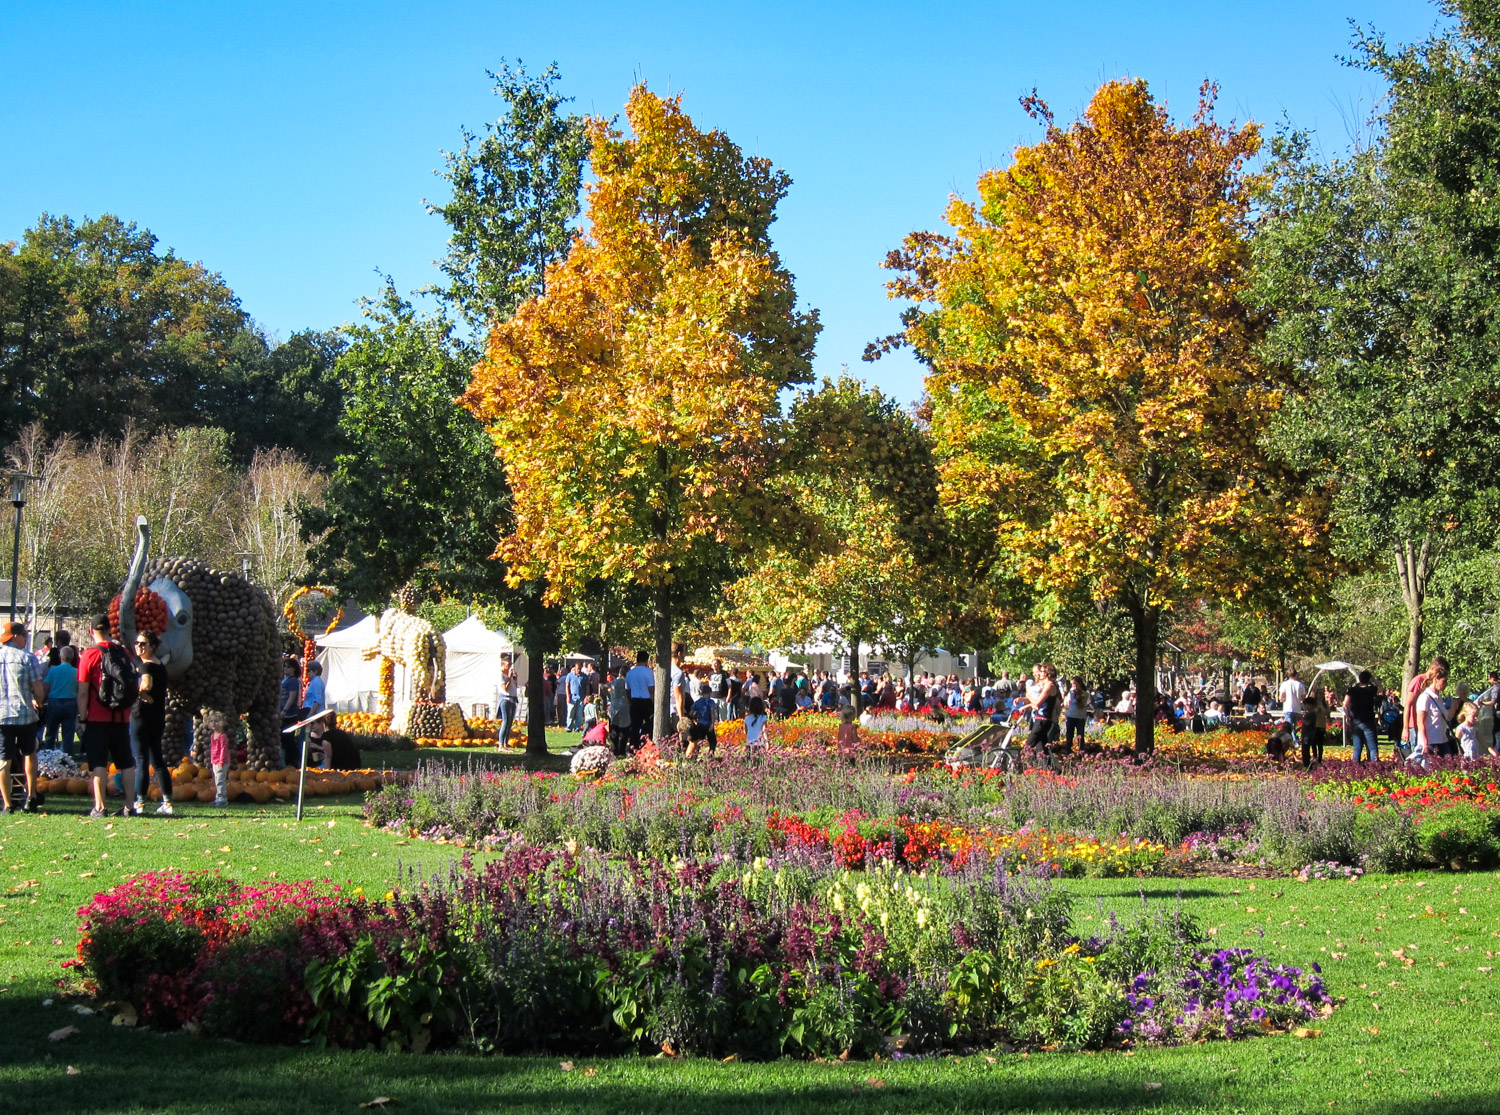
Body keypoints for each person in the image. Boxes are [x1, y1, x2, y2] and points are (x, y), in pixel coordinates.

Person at [77, 614, 137, 818]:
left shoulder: (89, 655)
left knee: (98, 763)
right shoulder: (123, 653)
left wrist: (82, 717)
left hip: (96, 717)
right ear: (110, 630)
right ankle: (130, 805)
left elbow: (83, 691)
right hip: (122, 717)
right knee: (126, 762)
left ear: (91, 631)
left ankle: (100, 807)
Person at [125, 630, 174, 816]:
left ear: (152, 646)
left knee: (141, 760)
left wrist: (137, 692)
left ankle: (140, 802)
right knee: (158, 760)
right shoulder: (160, 666)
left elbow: (145, 684)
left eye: (143, 643)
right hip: (157, 718)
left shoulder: (145, 667)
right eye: (137, 643)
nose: (139, 646)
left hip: (141, 717)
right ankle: (168, 802)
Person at [0, 620, 46, 814]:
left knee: (4, 760)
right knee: (29, 754)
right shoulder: (27, 658)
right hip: (25, 714)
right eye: (25, 637)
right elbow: (38, 689)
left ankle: (7, 804)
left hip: (2, 716)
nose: (26, 640)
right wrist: (39, 701)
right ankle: (30, 796)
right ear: (17, 637)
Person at [1412, 660, 1450, 767]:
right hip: (1431, 741)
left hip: (1442, 739)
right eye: (1444, 681)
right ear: (1436, 679)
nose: (1445, 684)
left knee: (1449, 768)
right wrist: (1424, 741)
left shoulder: (1438, 697)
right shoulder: (1425, 697)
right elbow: (1420, 721)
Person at [43, 644, 79, 755]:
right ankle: (65, 757)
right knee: (68, 733)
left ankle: (48, 756)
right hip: (70, 702)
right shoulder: (76, 672)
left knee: (51, 732)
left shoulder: (53, 670)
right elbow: (79, 688)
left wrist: (42, 700)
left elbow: (46, 687)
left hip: (54, 702)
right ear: (72, 657)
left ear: (60, 656)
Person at [1344, 669, 1380, 763]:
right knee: (1372, 746)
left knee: (1357, 747)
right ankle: (1374, 765)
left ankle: (1355, 765)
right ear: (1369, 679)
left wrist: (1348, 716)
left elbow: (1345, 704)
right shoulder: (1371, 689)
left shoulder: (1352, 690)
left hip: (1355, 720)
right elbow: (1381, 688)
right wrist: (1373, 678)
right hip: (1368, 720)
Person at [626, 652, 655, 743]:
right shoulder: (649, 672)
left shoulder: (630, 673)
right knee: (649, 724)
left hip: (635, 700)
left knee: (635, 726)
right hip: (646, 700)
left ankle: (633, 746)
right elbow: (651, 688)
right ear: (646, 660)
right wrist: (653, 701)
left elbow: (627, 690)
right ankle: (647, 743)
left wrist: (630, 701)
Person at [279, 659, 302, 766]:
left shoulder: (293, 681)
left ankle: (292, 761)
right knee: (283, 738)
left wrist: (284, 710)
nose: (286, 668)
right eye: (285, 666)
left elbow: (292, 697)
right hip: (282, 712)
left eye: (289, 667)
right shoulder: (284, 679)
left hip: (289, 714)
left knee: (288, 738)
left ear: (294, 668)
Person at [207, 712, 232, 806]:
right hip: (215, 761)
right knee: (217, 780)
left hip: (222, 762)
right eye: (211, 721)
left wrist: (221, 761)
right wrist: (213, 760)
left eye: (216, 721)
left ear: (221, 723)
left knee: (220, 780)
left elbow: (223, 750)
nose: (213, 723)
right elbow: (213, 749)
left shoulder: (223, 736)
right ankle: (218, 798)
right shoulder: (212, 736)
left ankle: (222, 799)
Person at [496, 656, 519, 750]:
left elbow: (515, 686)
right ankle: (501, 744)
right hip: (505, 699)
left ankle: (505, 743)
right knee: (505, 722)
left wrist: (515, 679)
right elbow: (505, 688)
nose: (509, 667)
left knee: (510, 723)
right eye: (508, 664)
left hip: (513, 698)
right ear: (503, 664)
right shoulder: (501, 675)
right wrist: (509, 678)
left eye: (510, 664)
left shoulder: (510, 675)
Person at [688, 687, 718, 757]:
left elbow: (691, 713)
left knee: (699, 741)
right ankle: (710, 755)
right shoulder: (711, 702)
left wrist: (694, 720)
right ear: (710, 693)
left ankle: (695, 755)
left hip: (700, 724)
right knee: (713, 741)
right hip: (708, 724)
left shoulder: (698, 702)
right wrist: (712, 724)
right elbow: (712, 712)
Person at [1062, 677, 1088, 753]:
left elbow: (1082, 703)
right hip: (1071, 715)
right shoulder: (1071, 692)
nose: (1073, 685)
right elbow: (1066, 703)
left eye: (1074, 683)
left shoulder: (1085, 693)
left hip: (1080, 717)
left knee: (1080, 735)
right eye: (1072, 684)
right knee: (1069, 735)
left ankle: (1081, 752)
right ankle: (1068, 751)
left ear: (1079, 683)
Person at [607, 675, 632, 755]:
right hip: (625, 706)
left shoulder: (614, 683)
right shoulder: (627, 682)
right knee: (624, 731)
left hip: (614, 707)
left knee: (614, 730)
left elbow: (604, 686)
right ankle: (621, 750)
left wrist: (609, 693)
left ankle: (614, 750)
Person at [564, 663, 586, 732]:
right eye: (577, 669)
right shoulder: (570, 675)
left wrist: (586, 696)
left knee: (579, 714)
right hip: (572, 697)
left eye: (579, 669)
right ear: (575, 668)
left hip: (581, 697)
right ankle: (569, 727)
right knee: (570, 713)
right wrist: (568, 696)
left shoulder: (584, 676)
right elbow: (567, 686)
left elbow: (587, 687)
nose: (578, 670)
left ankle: (577, 728)